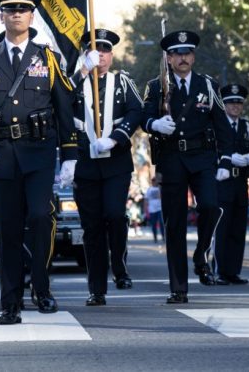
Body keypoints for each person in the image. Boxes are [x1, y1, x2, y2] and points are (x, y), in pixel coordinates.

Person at [0, 0, 79, 325]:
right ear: (1, 15)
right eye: (10, 9)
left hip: (39, 153)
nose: (16, 14)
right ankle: (9, 302)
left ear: (32, 15)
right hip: (0, 155)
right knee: (7, 229)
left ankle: (41, 289)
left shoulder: (48, 59)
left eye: (23, 9)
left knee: (41, 219)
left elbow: (64, 108)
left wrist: (70, 153)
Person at [141, 29, 235, 304]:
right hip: (171, 160)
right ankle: (178, 288)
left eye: (187, 53)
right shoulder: (157, 86)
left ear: (193, 56)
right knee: (175, 225)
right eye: (176, 54)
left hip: (202, 158)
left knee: (210, 206)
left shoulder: (207, 85)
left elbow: (222, 124)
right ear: (168, 58)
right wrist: (154, 124)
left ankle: (201, 253)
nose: (182, 58)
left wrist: (226, 159)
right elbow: (144, 117)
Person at [71, 28, 143, 306]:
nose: (99, 55)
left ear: (111, 55)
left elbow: (137, 111)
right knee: (92, 227)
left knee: (114, 214)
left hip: (115, 162)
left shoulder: (122, 82)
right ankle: (96, 289)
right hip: (85, 164)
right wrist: (80, 74)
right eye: (94, 50)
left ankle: (120, 268)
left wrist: (116, 138)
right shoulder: (74, 82)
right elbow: (60, 103)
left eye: (104, 50)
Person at [214, 83, 249, 285]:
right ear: (224, 104)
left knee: (237, 230)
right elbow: (209, 153)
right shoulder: (215, 125)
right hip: (222, 183)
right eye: (231, 103)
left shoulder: (247, 127)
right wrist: (227, 159)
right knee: (222, 229)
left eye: (238, 103)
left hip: (241, 183)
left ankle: (233, 271)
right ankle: (219, 271)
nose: (235, 106)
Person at [145, 177, 164, 243]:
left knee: (162, 223)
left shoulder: (160, 189)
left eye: (156, 181)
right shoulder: (149, 189)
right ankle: (155, 237)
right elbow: (146, 199)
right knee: (154, 224)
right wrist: (146, 210)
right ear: (152, 182)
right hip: (152, 209)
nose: (155, 182)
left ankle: (163, 236)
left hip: (160, 208)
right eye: (154, 181)